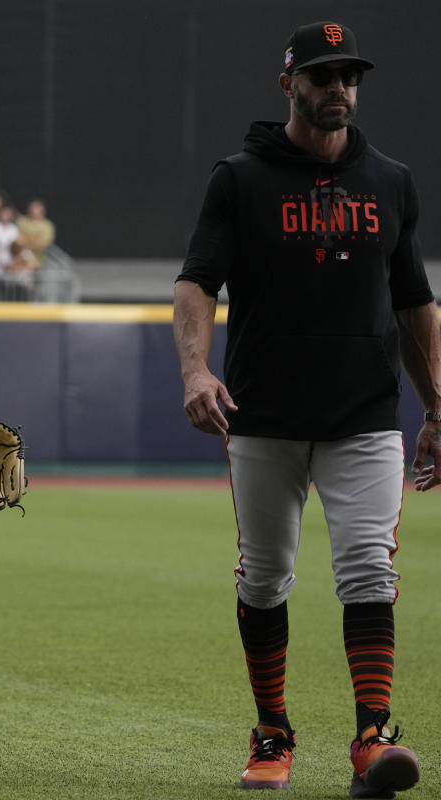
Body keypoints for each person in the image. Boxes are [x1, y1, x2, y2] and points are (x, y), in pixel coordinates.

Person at [173, 21, 437, 798]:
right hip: (262, 415)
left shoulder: (391, 179)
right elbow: (196, 283)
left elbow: (417, 303)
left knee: (368, 572)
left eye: (348, 76)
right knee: (264, 578)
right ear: (288, 83)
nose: (338, 90)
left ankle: (372, 738)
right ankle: (273, 731)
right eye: (322, 76)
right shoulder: (242, 177)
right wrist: (195, 370)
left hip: (363, 413)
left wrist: (440, 408)